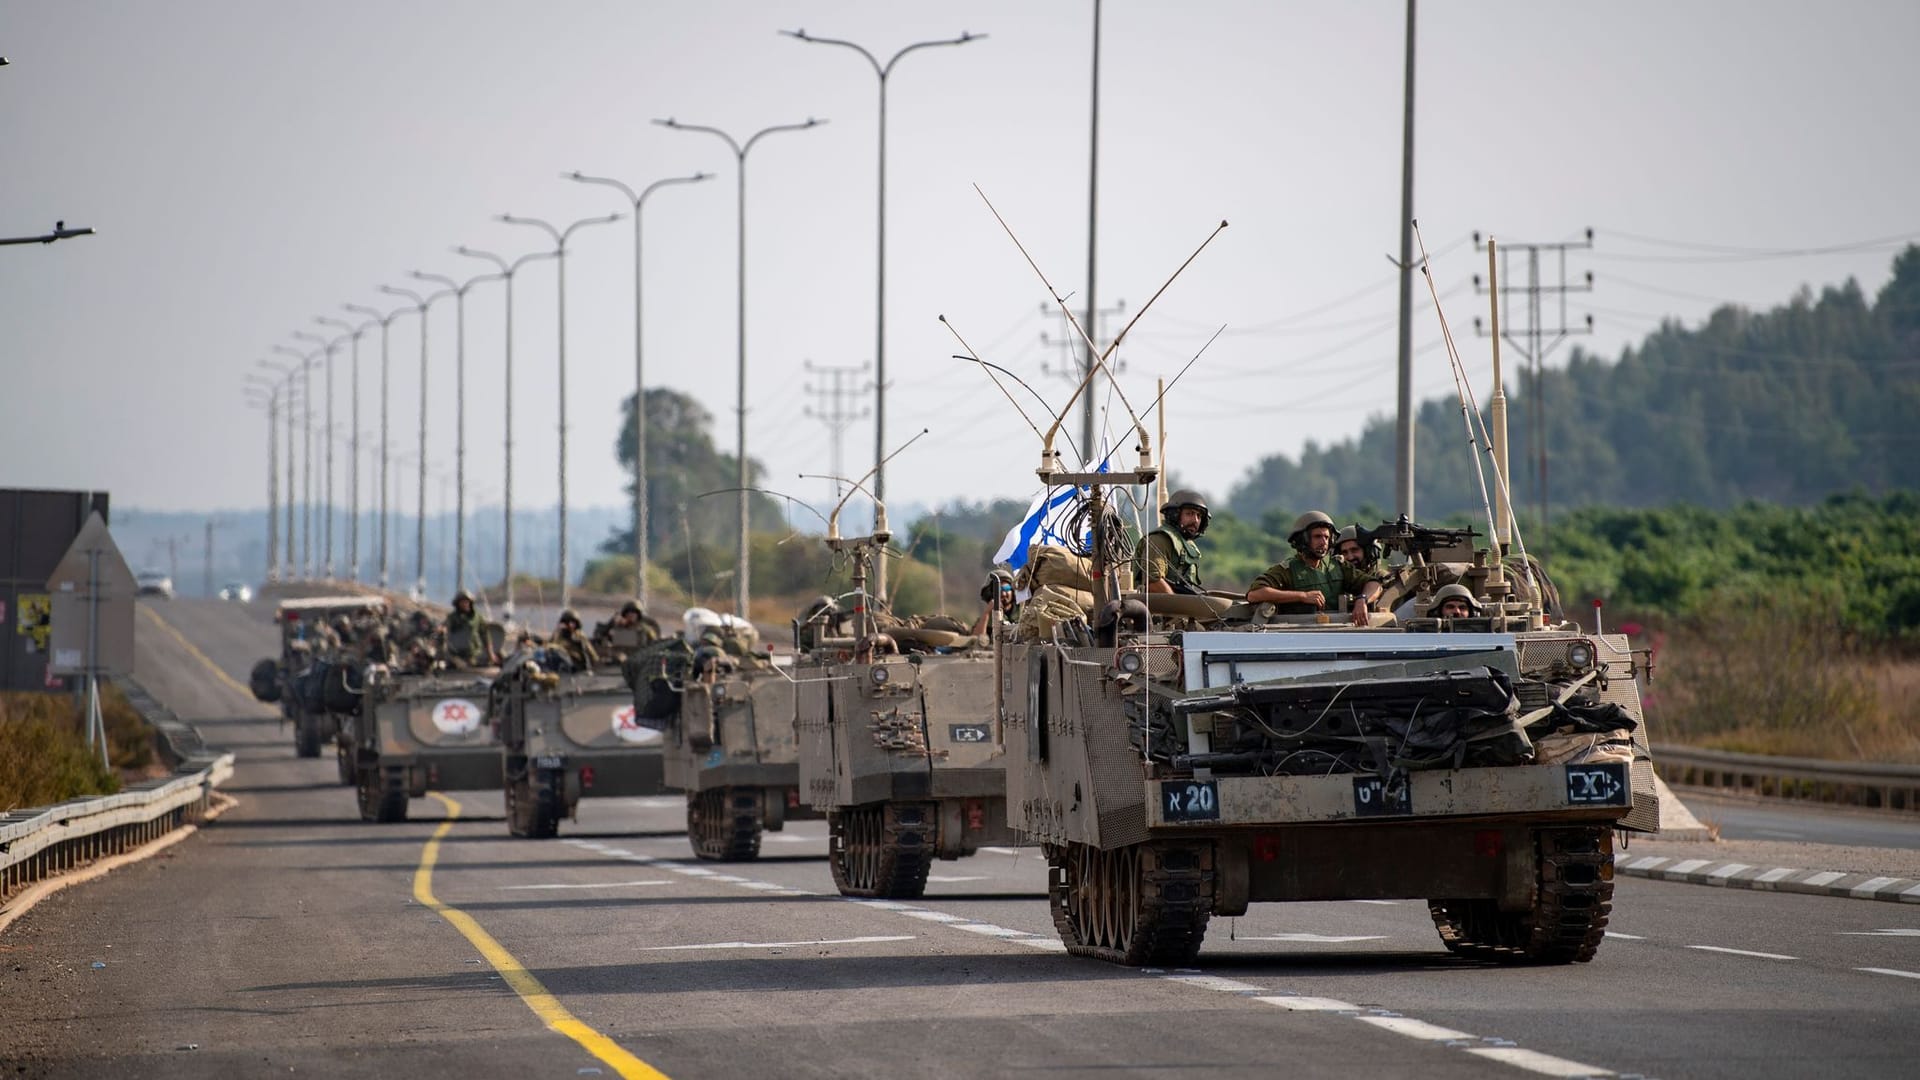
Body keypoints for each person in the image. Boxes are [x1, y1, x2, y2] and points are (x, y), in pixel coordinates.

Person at [1247, 510, 1383, 627]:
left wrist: (1362, 600)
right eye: (1318, 536)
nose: (1323, 542)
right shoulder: (1288, 570)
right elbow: (1255, 594)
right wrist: (1302, 596)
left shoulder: (1337, 565)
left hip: (1339, 631)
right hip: (1301, 634)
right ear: (1303, 539)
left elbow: (1374, 584)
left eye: (1327, 537)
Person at [1135, 489, 1210, 595]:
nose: (1196, 520)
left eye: (1199, 516)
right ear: (1175, 515)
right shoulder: (1159, 540)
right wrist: (1181, 605)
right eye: (1189, 514)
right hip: (1157, 608)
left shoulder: (1189, 546)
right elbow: (1152, 582)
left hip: (1178, 608)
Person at [592, 599, 659, 661]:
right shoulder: (618, 627)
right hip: (617, 657)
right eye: (628, 612)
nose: (630, 615)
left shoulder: (645, 629)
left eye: (634, 612)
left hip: (638, 659)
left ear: (638, 614)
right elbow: (599, 635)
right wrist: (612, 623)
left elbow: (654, 644)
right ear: (624, 614)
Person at [442, 590, 494, 668]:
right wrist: (443, 629)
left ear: (470, 602)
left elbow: (485, 634)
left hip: (475, 652)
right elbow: (445, 626)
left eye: (466, 601)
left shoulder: (477, 617)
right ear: (458, 603)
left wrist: (490, 653)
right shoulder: (453, 617)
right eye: (462, 602)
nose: (464, 604)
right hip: (457, 653)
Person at [971, 570, 1019, 637]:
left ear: (1012, 591)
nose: (1003, 594)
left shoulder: (1022, 610)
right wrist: (987, 612)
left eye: (1007, 588)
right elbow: (976, 638)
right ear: (992, 593)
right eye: (999, 590)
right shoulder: (989, 614)